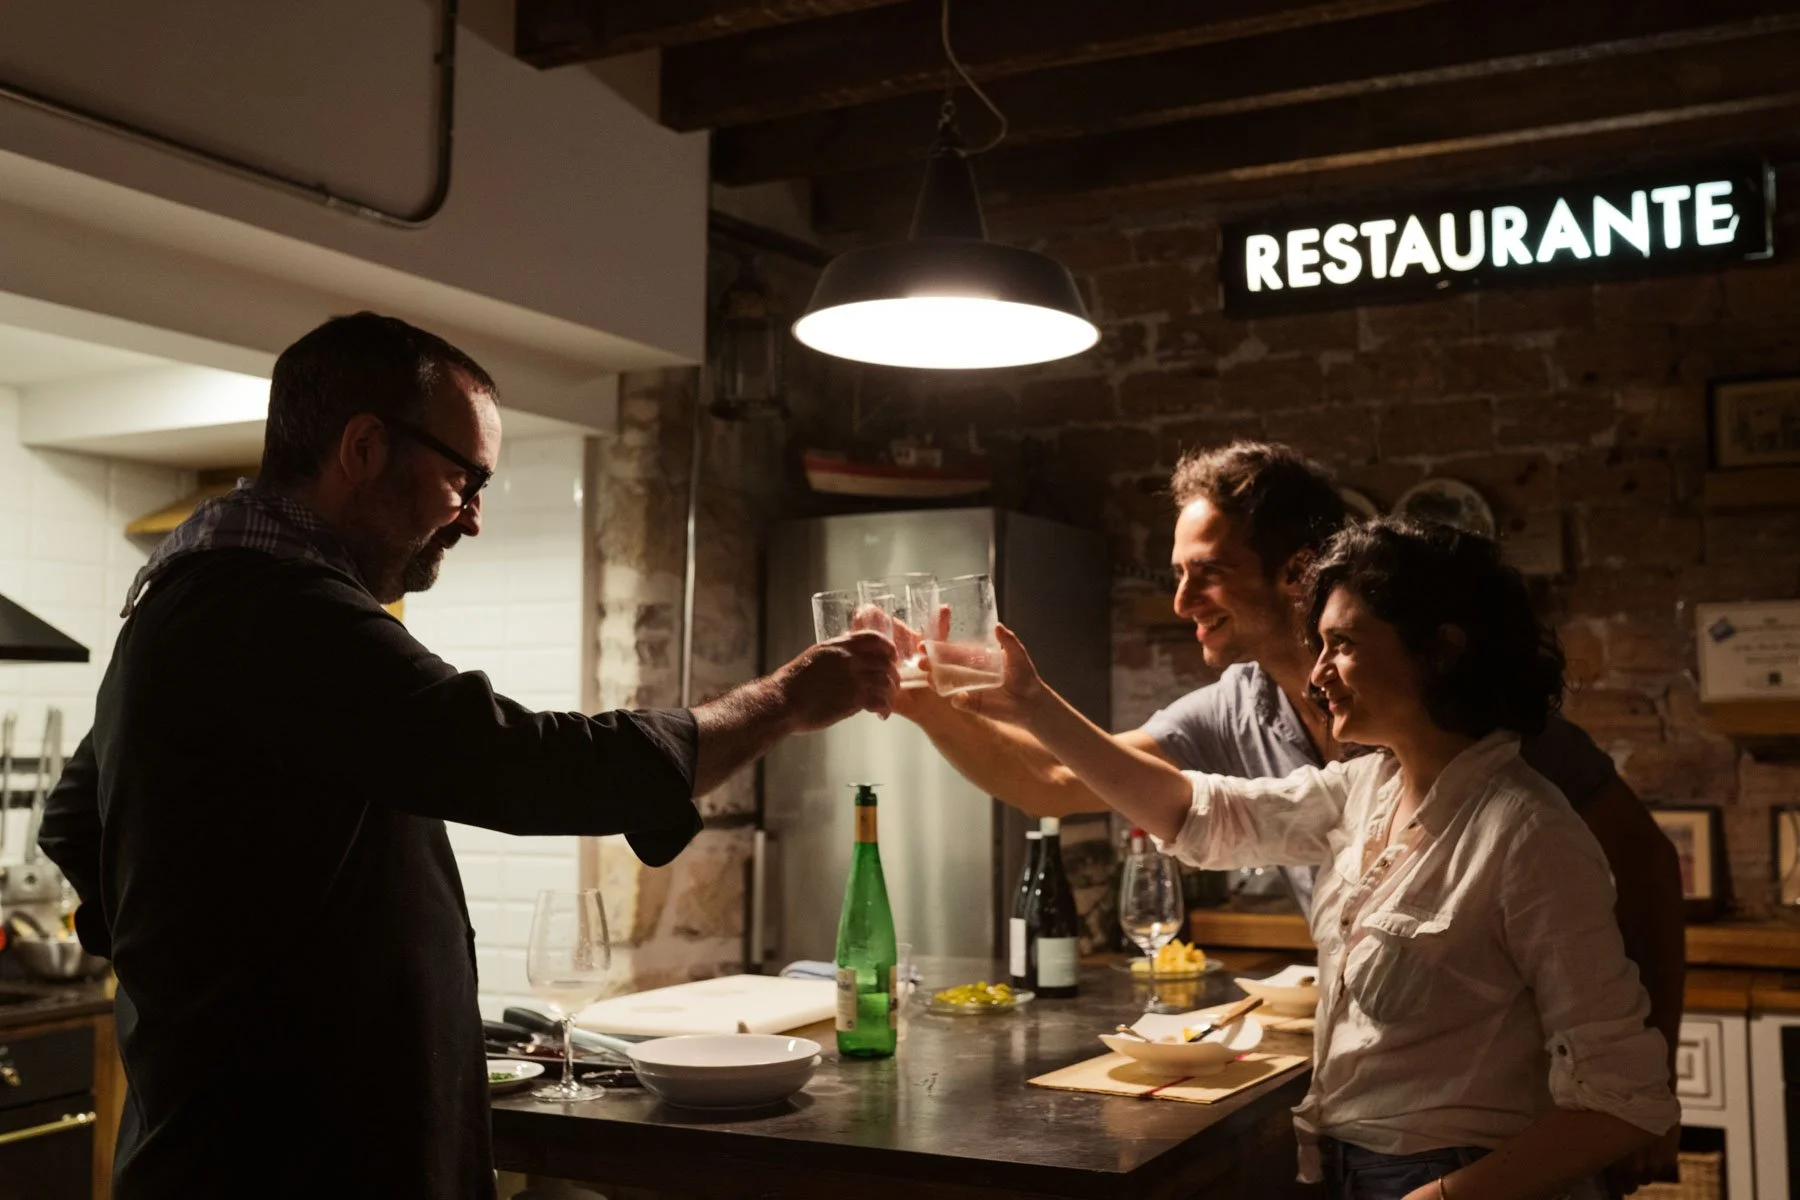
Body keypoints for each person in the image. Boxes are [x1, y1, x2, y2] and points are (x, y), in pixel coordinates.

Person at [38, 313, 898, 1200]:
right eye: (464, 477)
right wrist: (785, 702)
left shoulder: (199, 594)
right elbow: (521, 763)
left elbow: (73, 821)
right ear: (364, 447)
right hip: (293, 1163)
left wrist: (195, 975)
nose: (473, 517)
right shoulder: (275, 611)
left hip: (241, 1144)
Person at [896, 441, 1684, 1193]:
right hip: (1355, 1148)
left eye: (1342, 646)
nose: (1319, 677)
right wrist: (992, 702)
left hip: (1474, 1154)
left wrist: (1464, 1187)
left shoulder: (1522, 803)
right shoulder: (1361, 782)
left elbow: (1625, 1068)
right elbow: (1174, 809)